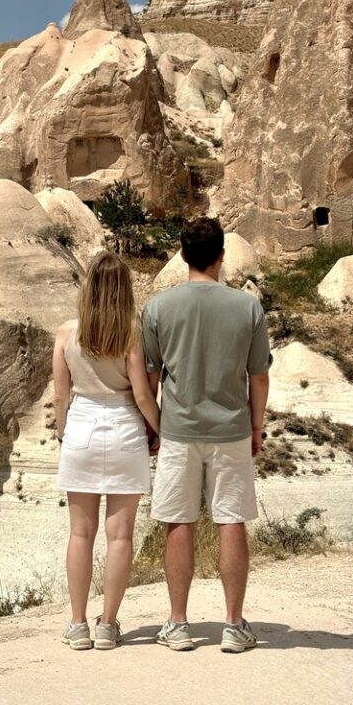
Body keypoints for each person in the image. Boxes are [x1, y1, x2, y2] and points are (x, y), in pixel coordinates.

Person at [141, 217, 271, 653]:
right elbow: (259, 376)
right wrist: (256, 427)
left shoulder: (159, 308)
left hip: (178, 430)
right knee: (231, 519)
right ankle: (233, 625)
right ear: (222, 255)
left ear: (181, 255)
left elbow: (151, 375)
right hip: (231, 428)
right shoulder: (247, 307)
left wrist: (153, 427)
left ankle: (178, 624)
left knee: (180, 521)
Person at [54, 251, 160, 651]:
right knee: (121, 536)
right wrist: (159, 431)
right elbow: (142, 395)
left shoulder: (67, 334)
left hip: (81, 425)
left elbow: (60, 395)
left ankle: (78, 624)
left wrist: (65, 437)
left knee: (80, 533)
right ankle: (109, 625)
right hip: (124, 430)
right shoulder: (131, 334)